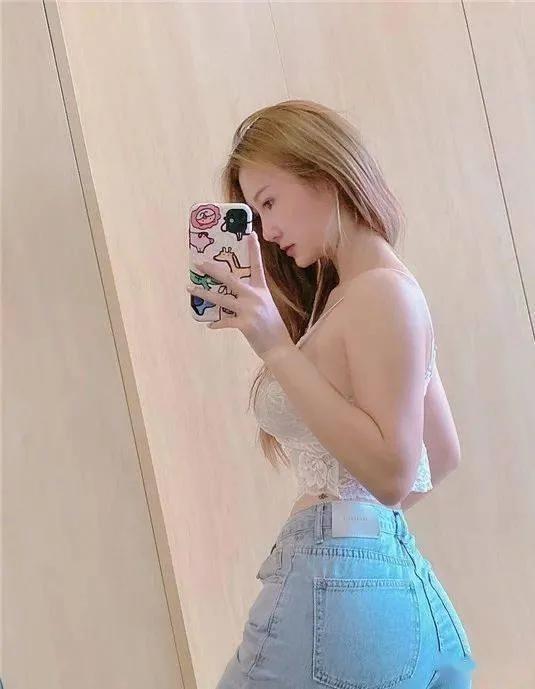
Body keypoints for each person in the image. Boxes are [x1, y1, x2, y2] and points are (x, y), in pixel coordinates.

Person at [189, 100, 477, 687]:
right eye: (255, 213)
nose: (267, 231)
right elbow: (441, 455)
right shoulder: (384, 290)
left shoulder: (380, 295)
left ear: (324, 175)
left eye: (269, 202)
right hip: (392, 581)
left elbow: (394, 475)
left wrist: (276, 349)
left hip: (337, 586)